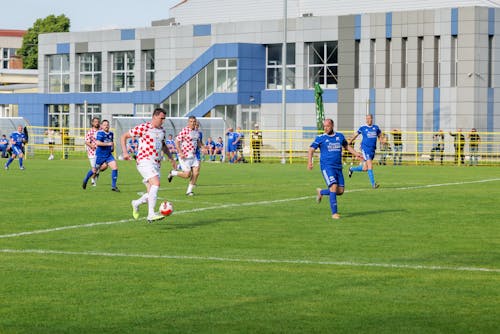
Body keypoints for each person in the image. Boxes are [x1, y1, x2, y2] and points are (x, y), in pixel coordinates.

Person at [121, 108, 176, 223]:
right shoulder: (144, 127)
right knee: (156, 183)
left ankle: (135, 203)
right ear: (154, 116)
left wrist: (171, 158)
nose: (163, 121)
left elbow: (163, 145)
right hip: (144, 161)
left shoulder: (162, 131)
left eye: (164, 119)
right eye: (161, 118)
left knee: (151, 192)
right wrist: (125, 152)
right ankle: (151, 214)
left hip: (156, 163)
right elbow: (124, 136)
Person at [308, 118, 363, 219]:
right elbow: (311, 149)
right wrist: (310, 163)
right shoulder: (320, 138)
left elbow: (347, 146)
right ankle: (334, 213)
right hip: (327, 167)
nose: (325, 128)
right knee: (333, 186)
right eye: (324, 126)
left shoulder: (340, 136)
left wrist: (356, 154)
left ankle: (321, 192)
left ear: (332, 126)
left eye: (327, 126)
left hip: (338, 167)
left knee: (340, 191)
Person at [167, 116, 203, 196]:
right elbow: (176, 141)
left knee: (196, 173)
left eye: (194, 121)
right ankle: (173, 172)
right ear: (188, 122)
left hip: (193, 156)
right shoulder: (185, 131)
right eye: (191, 121)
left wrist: (203, 147)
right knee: (187, 175)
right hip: (185, 156)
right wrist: (180, 152)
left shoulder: (196, 131)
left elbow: (198, 141)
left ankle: (189, 191)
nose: (192, 123)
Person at [348, 114, 384, 189]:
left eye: (369, 118)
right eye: (367, 119)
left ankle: (351, 169)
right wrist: (349, 142)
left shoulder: (376, 128)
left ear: (372, 119)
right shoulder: (363, 128)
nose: (368, 120)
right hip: (365, 149)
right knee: (370, 165)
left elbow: (380, 135)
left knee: (365, 168)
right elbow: (355, 135)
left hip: (372, 150)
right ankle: (373, 184)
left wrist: (382, 141)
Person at [82, 119, 119, 191]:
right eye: (104, 125)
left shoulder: (111, 133)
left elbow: (112, 142)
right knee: (94, 170)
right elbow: (98, 143)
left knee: (115, 167)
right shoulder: (100, 133)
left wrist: (112, 147)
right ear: (102, 126)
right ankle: (86, 179)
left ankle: (113, 186)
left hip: (108, 155)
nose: (106, 126)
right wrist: (108, 144)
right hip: (100, 155)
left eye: (107, 125)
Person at [84, 117, 105, 187]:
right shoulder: (90, 132)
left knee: (105, 166)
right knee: (95, 169)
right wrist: (91, 145)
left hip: (100, 152)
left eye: (98, 122)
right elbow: (86, 141)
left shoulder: (101, 131)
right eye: (95, 122)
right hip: (92, 153)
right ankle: (92, 180)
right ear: (92, 123)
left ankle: (94, 176)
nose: (97, 123)